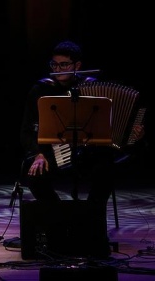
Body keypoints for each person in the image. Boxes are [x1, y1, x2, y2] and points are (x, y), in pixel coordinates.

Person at [20, 40, 145, 203]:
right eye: (54, 65)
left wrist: (134, 134)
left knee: (106, 169)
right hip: (53, 152)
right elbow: (26, 130)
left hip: (89, 153)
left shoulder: (93, 87)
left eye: (63, 65)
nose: (57, 70)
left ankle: (91, 217)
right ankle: (59, 216)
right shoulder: (40, 90)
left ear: (77, 66)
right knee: (35, 176)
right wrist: (38, 154)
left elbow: (113, 125)